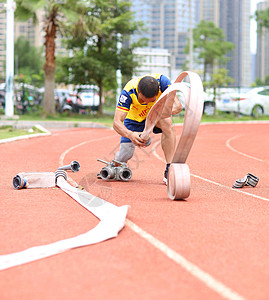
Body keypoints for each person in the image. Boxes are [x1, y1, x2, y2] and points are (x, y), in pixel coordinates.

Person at [99, 73, 183, 183]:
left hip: (156, 115)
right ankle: (113, 165)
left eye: (151, 101)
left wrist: (157, 115)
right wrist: (130, 135)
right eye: (143, 101)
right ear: (139, 92)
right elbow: (116, 123)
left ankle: (169, 168)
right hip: (135, 118)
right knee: (126, 154)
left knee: (168, 126)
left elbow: (178, 106)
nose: (146, 103)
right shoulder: (129, 91)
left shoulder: (163, 83)